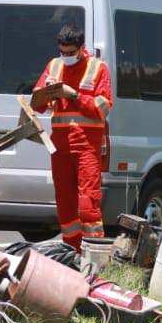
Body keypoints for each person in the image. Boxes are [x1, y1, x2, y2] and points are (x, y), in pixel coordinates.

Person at [32, 23, 113, 251]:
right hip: (61, 148)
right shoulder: (54, 65)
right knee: (65, 206)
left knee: (88, 204)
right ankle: (72, 253)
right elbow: (38, 105)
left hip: (87, 147)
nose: (66, 57)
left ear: (82, 48)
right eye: (62, 52)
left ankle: (94, 257)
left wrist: (74, 95)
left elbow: (104, 107)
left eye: (71, 53)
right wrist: (45, 92)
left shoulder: (98, 68)